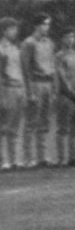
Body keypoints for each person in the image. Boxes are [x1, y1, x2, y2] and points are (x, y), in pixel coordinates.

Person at [20, 12, 56, 167]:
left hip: (47, 83)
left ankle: (42, 156)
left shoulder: (49, 43)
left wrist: (54, 88)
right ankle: (29, 158)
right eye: (44, 24)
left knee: (44, 121)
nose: (47, 27)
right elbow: (25, 69)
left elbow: (52, 66)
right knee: (31, 122)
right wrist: (29, 91)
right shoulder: (28, 43)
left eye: (48, 24)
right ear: (37, 25)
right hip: (35, 82)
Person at [55, 27, 75, 167]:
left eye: (72, 37)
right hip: (66, 96)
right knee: (63, 127)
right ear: (62, 39)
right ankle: (62, 158)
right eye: (67, 37)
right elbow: (62, 77)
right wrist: (72, 92)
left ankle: (74, 157)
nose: (70, 40)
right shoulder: (59, 56)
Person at [0, 16, 26, 171]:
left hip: (18, 88)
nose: (15, 31)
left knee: (15, 126)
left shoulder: (16, 47)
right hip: (7, 88)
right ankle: (3, 160)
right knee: (3, 126)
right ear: (4, 30)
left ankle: (14, 159)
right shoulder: (1, 48)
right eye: (12, 28)